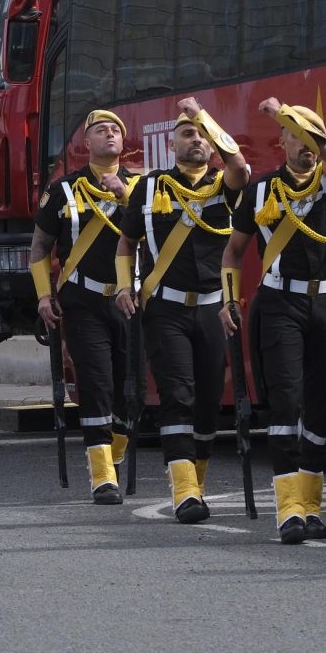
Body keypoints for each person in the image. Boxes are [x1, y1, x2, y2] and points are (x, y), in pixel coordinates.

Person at [221, 98, 326, 543]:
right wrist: (227, 300)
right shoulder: (261, 192)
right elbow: (233, 252)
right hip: (280, 303)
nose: (305, 144)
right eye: (294, 135)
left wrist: (299, 123)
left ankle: (312, 506)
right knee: (285, 402)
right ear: (280, 140)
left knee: (321, 409)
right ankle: (288, 510)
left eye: (311, 135)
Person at [114, 99, 250, 523]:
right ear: (171, 143)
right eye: (188, 133)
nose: (197, 139)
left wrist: (204, 115)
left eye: (202, 135)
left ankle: (198, 480)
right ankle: (184, 488)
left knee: (210, 401)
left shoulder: (224, 185)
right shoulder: (150, 188)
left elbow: (242, 168)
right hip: (166, 309)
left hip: (212, 310)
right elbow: (126, 243)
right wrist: (124, 285)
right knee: (178, 394)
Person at [30, 110, 141, 505]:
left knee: (132, 391)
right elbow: (40, 246)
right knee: (97, 385)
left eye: (115, 130)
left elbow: (156, 232)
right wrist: (45, 295)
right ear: (86, 143)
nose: (109, 134)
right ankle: (103, 476)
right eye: (100, 130)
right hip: (83, 301)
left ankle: (114, 452)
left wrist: (126, 196)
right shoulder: (63, 190)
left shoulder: (143, 187)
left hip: (130, 300)